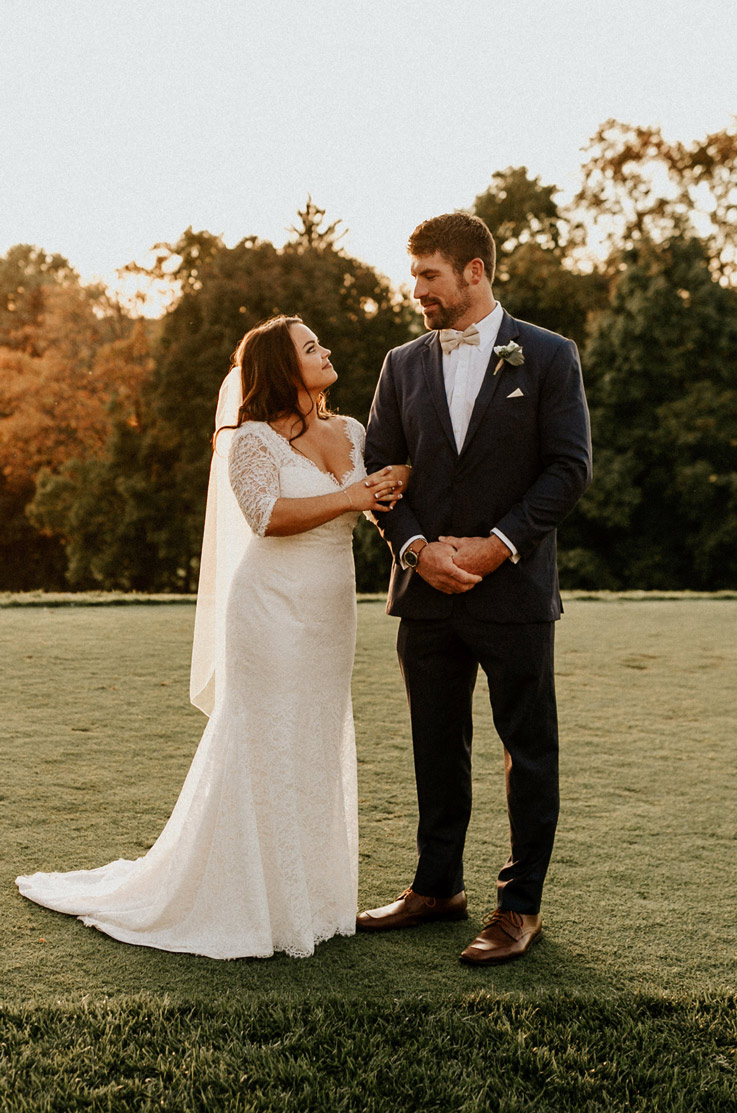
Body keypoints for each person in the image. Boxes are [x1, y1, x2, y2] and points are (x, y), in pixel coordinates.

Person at [16, 314, 406, 960]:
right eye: (311, 347)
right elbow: (267, 517)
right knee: (263, 737)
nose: (326, 350)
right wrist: (353, 495)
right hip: (267, 608)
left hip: (329, 611)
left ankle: (307, 900)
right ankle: (247, 901)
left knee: (312, 733)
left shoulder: (351, 430)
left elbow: (375, 497)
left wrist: (395, 485)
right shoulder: (249, 439)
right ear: (285, 368)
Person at [358, 213, 592, 965]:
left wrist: (496, 547)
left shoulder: (549, 356)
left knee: (527, 748)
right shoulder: (400, 363)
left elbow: (568, 469)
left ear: (474, 272)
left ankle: (518, 906)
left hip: (512, 590)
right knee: (435, 742)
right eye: (415, 274)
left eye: (428, 274)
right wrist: (417, 549)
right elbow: (380, 472)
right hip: (425, 594)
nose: (416, 288)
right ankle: (436, 887)